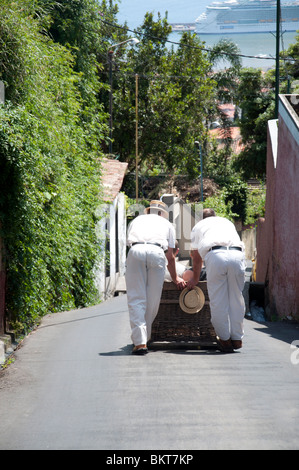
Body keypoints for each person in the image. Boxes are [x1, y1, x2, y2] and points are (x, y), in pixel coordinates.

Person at [125, 200, 186, 355]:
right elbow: (171, 257)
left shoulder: (137, 220)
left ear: (148, 211)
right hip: (156, 252)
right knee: (153, 299)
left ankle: (140, 341)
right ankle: (145, 338)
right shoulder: (167, 225)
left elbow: (128, 243)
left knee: (136, 298)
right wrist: (175, 278)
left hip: (136, 250)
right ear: (162, 213)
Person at [187, 208, 246, 352]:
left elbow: (196, 257)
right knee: (236, 298)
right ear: (215, 215)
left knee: (218, 301)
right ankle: (237, 339)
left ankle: (225, 340)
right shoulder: (226, 222)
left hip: (216, 255)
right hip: (237, 254)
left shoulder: (198, 227)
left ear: (202, 219)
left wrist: (195, 279)